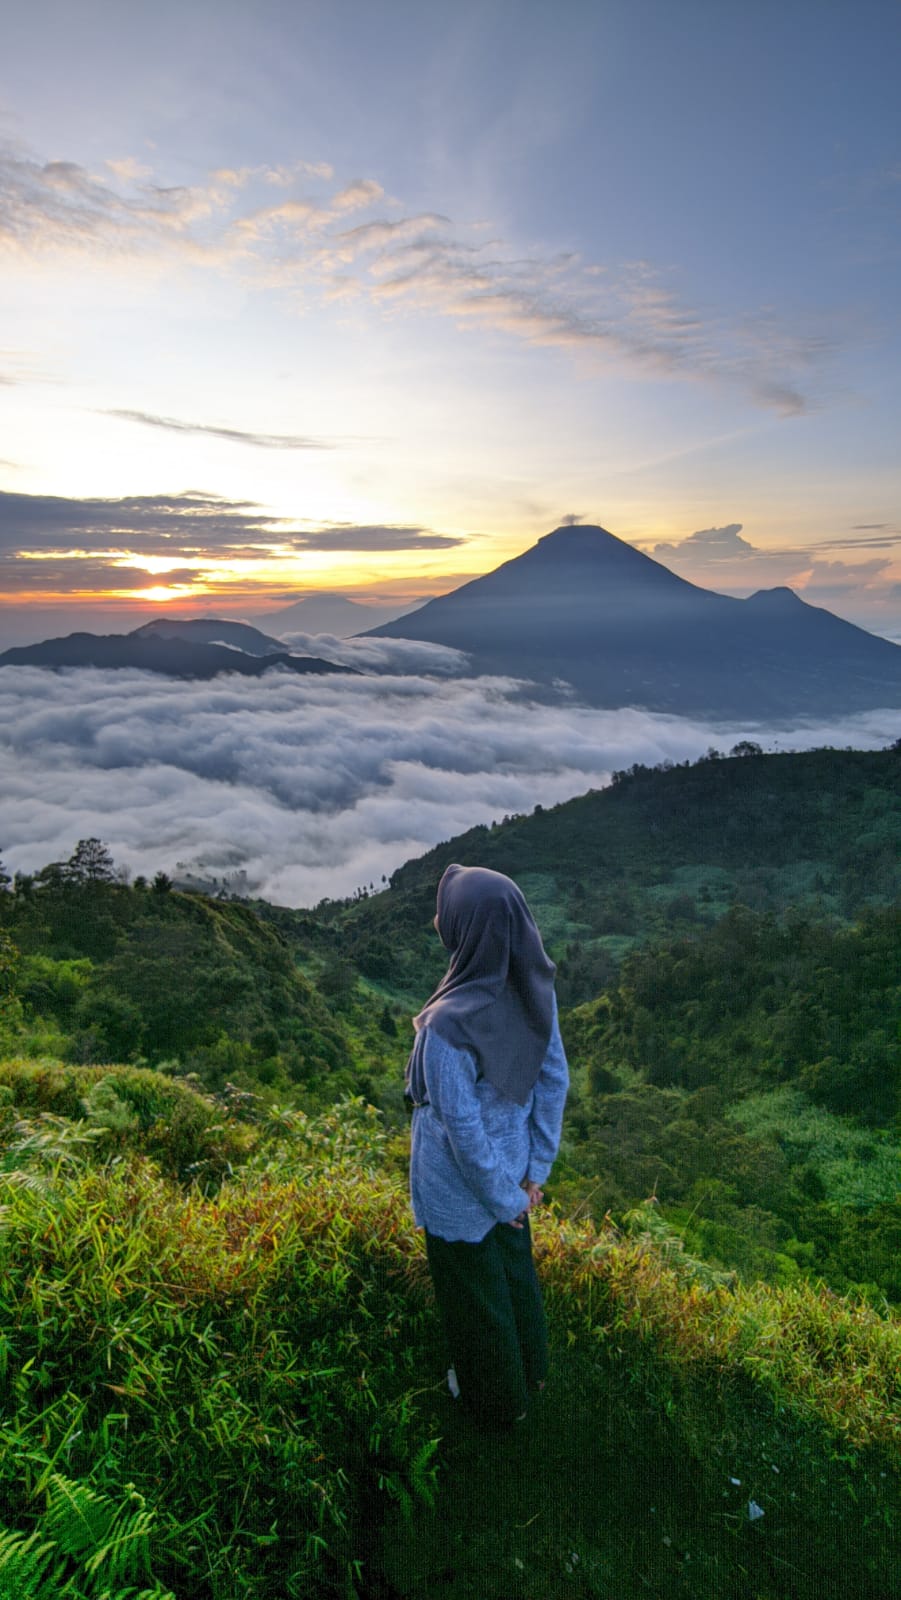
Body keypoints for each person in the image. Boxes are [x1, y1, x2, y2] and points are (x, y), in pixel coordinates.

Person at [406, 862, 569, 1431]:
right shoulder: (532, 994)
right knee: (514, 1279)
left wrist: (502, 1199)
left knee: (474, 1301)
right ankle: (533, 1373)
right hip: (516, 1178)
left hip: (462, 1191)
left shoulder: (447, 1028)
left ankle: (499, 1405)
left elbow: (460, 1131)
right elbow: (554, 1083)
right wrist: (532, 1176)